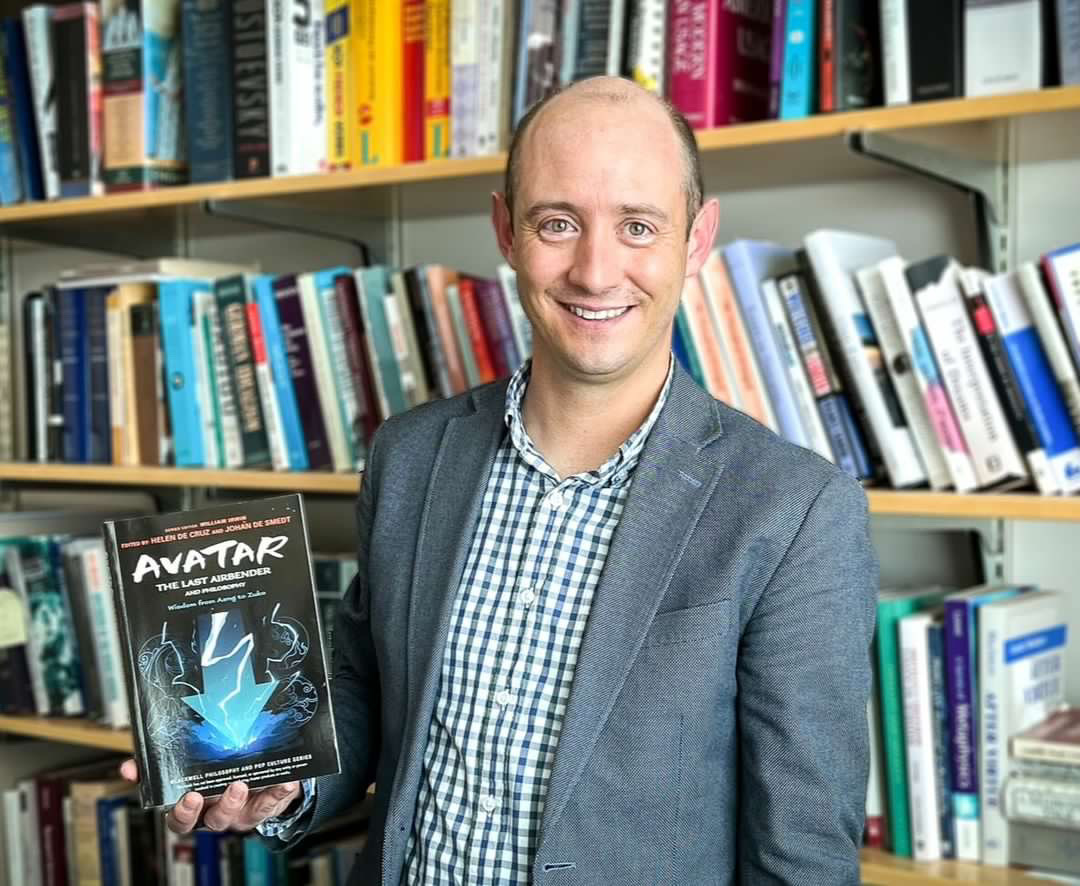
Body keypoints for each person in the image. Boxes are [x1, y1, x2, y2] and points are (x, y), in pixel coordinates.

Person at [122, 75, 878, 884]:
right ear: (505, 231)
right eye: (558, 223)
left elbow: (802, 856)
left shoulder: (797, 510)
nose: (595, 271)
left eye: (637, 226)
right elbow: (363, 689)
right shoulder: (408, 456)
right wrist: (280, 779)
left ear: (696, 240)